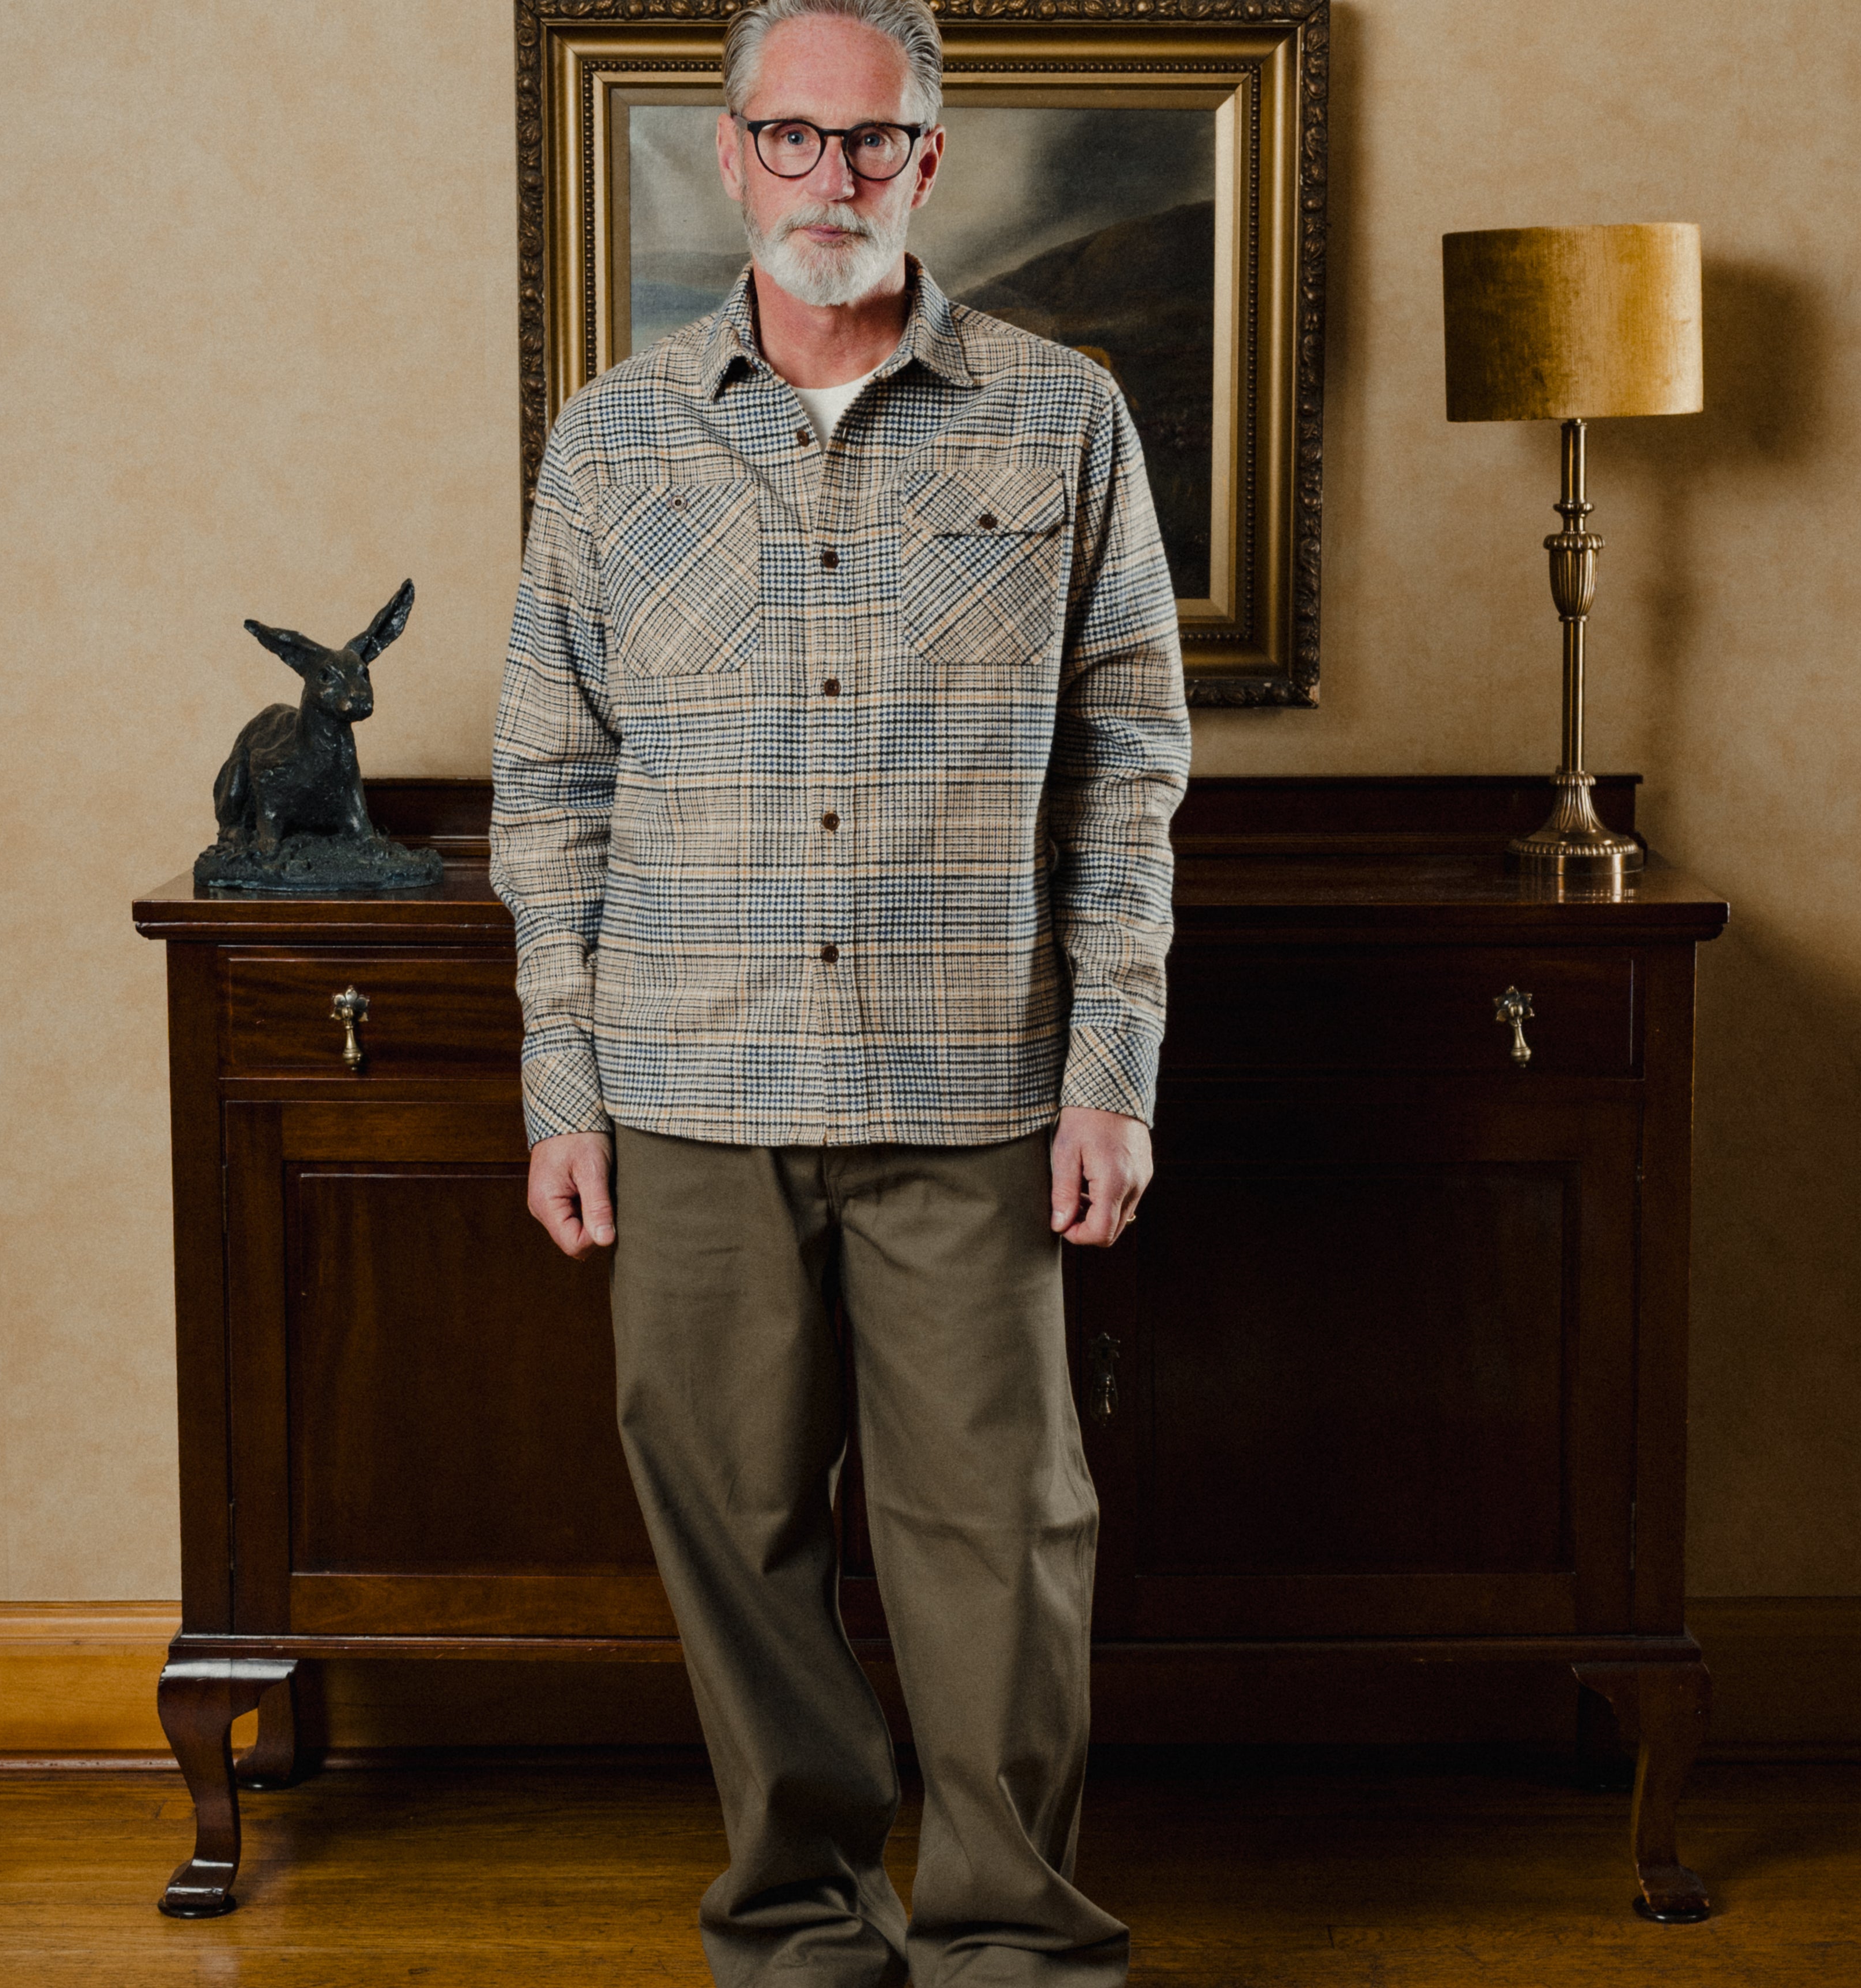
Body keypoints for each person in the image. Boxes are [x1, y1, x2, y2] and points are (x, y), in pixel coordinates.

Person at [489, 0, 1189, 1979]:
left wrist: (1109, 1065)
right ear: (731, 155)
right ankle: (798, 1926)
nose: (831, 178)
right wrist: (562, 1081)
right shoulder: (612, 437)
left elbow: (1130, 767)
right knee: (732, 1532)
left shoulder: (1064, 417)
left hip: (970, 1081)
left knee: (1003, 1545)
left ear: (929, 161)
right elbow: (552, 782)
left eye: (870, 142)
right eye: (791, 139)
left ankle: (1007, 1946)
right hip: (685, 1087)